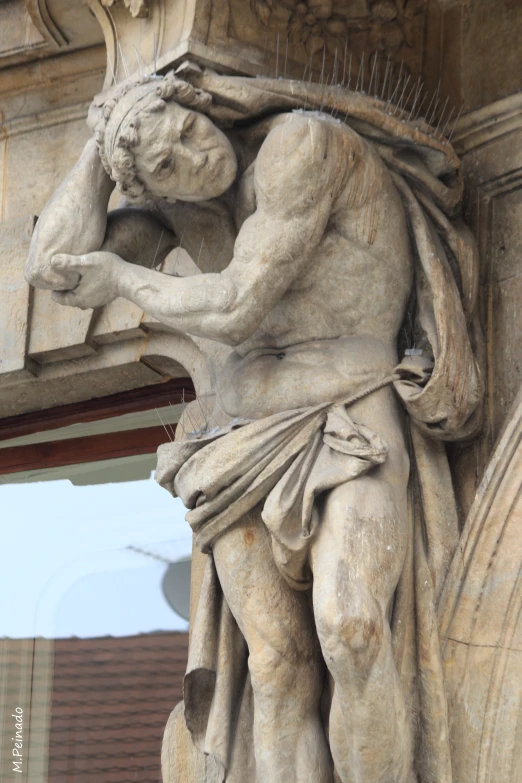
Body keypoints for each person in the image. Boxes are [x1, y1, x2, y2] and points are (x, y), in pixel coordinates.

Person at [26, 68, 483, 783]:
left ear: (202, 104)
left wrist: (119, 276)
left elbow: (237, 303)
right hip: (234, 441)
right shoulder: (180, 208)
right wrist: (99, 143)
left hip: (348, 412)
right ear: (156, 190)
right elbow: (51, 267)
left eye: (188, 126)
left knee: (352, 626)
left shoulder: (304, 146)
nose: (195, 151)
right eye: (169, 165)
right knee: (276, 665)